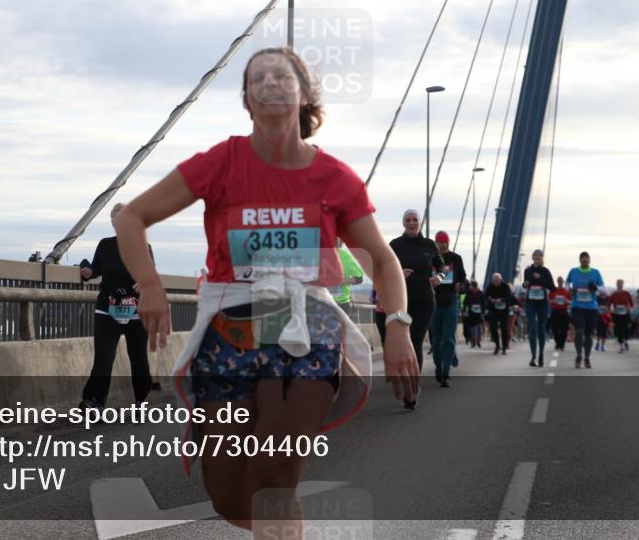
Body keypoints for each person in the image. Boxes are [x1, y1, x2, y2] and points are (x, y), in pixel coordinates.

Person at [113, 46, 419, 532]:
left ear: (304, 96)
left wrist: (398, 325)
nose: (271, 83)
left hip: (307, 329)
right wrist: (148, 286)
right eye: (259, 78)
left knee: (275, 472)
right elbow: (132, 216)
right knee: (229, 494)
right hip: (230, 329)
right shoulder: (220, 163)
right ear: (247, 101)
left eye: (283, 76)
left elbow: (383, 258)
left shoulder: (335, 178)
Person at [78, 203, 155, 411]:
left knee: (138, 357)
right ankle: (94, 401)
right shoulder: (105, 245)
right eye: (115, 220)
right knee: (104, 356)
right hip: (108, 306)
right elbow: (95, 269)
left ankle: (140, 399)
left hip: (137, 309)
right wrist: (88, 272)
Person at [390, 209, 443, 407]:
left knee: (415, 341)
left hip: (425, 301)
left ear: (420, 223)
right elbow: (382, 267)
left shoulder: (429, 245)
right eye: (408, 220)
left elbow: (442, 267)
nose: (411, 223)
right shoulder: (395, 245)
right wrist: (397, 272)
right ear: (403, 223)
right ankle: (406, 384)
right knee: (403, 343)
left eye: (415, 220)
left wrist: (439, 277)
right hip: (401, 300)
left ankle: (412, 389)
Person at [430, 230, 467, 387]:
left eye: (445, 242)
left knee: (449, 338)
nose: (443, 245)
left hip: (451, 302)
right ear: (436, 243)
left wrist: (461, 286)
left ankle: (445, 374)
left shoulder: (456, 259)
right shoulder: (430, 258)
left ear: (448, 243)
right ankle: (438, 367)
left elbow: (463, 278)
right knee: (436, 340)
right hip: (433, 303)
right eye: (440, 242)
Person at [567, 251, 604, 369]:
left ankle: (587, 358)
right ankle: (579, 355)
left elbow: (604, 290)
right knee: (578, 331)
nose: (585, 261)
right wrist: (570, 290)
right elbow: (567, 284)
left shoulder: (596, 272)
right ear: (580, 260)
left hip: (591, 308)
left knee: (589, 335)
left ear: (589, 260)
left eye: (587, 259)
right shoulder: (573, 271)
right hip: (577, 307)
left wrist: (596, 288)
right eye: (583, 259)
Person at [522, 249, 556, 367]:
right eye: (535, 255)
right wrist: (525, 284)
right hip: (530, 302)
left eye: (539, 255)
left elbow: (552, 288)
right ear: (532, 257)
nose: (537, 257)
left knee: (541, 328)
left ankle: (541, 354)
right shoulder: (528, 270)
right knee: (532, 328)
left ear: (542, 258)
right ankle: (533, 357)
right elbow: (525, 284)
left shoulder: (546, 271)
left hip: (542, 303)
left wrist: (540, 279)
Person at [328, 238, 365, 315]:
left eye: (335, 239)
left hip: (342, 303)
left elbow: (359, 279)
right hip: (323, 302)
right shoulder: (319, 255)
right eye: (331, 238)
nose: (333, 241)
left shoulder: (346, 256)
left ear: (341, 241)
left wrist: (341, 280)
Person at [485, 273, 514, 355]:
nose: (496, 282)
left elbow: (509, 297)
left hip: (504, 310)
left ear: (500, 280)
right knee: (493, 327)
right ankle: (497, 345)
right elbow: (485, 296)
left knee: (504, 328)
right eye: (494, 281)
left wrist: (501, 300)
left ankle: (504, 347)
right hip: (493, 309)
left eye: (497, 280)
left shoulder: (505, 286)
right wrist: (490, 300)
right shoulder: (490, 286)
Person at [609, 279, 634, 354]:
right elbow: (609, 304)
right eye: (618, 284)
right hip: (617, 314)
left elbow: (631, 304)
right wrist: (611, 309)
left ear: (623, 285)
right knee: (618, 329)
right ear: (616, 285)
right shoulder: (613, 294)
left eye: (621, 284)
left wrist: (629, 309)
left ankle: (625, 341)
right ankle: (621, 346)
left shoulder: (626, 293)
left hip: (626, 314)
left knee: (625, 328)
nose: (619, 285)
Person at [549, 276, 572, 351]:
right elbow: (548, 300)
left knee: (564, 329)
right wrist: (553, 301)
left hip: (563, 311)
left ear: (563, 282)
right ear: (557, 281)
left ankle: (562, 344)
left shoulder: (566, 291)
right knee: (554, 329)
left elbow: (571, 302)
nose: (560, 282)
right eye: (559, 280)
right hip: (555, 311)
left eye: (561, 281)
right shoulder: (553, 291)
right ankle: (557, 343)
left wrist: (566, 301)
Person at [463, 280, 486, 348]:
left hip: (479, 313)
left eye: (471, 286)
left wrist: (483, 312)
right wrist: (464, 310)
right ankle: (473, 342)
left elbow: (484, 303)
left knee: (479, 328)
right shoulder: (468, 293)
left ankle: (478, 341)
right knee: (472, 327)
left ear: (473, 286)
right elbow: (465, 302)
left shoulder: (481, 293)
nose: (470, 287)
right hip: (471, 313)